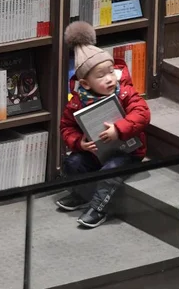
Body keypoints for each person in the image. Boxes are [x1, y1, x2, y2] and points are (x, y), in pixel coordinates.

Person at [56, 21, 151, 228]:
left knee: (110, 170)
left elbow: (142, 113)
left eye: (111, 72)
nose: (109, 79)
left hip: (128, 151)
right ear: (85, 84)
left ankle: (99, 208)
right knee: (72, 163)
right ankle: (83, 194)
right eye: (101, 76)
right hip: (96, 152)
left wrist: (119, 129)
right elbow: (66, 127)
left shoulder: (125, 92)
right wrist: (78, 143)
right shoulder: (76, 102)